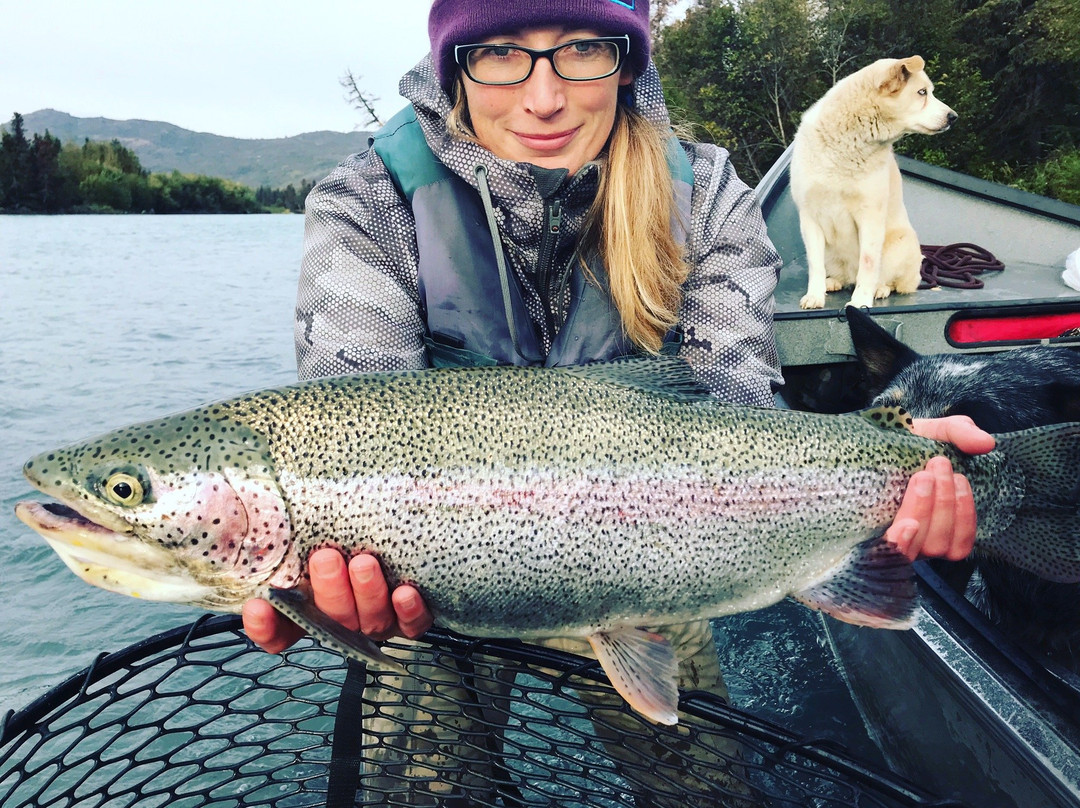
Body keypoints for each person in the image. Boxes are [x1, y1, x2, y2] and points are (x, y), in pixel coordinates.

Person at [242, 0, 993, 803]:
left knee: (703, 789)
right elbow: (349, 433)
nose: (542, 97)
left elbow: (738, 416)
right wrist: (308, 584)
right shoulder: (368, 202)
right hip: (424, 578)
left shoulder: (705, 196)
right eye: (498, 53)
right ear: (451, 65)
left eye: (582, 50)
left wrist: (897, 455)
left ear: (628, 61)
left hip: (653, 553)